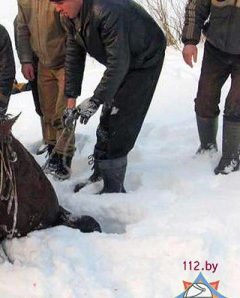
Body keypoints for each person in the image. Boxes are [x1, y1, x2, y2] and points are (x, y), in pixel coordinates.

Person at [50, 0, 166, 193]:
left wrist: (96, 100)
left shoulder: (107, 12)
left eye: (61, 2)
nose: (57, 8)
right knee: (106, 117)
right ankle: (100, 175)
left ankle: (113, 189)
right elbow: (73, 56)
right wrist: (71, 102)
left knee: (120, 120)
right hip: (122, 60)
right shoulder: (70, 16)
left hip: (144, 59)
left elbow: (119, 64)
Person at [16, 0, 75, 180]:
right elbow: (22, 28)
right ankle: (52, 152)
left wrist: (72, 59)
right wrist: (26, 60)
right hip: (43, 62)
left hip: (66, 61)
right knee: (47, 111)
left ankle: (64, 158)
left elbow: (73, 26)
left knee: (62, 112)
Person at [182, 0, 240, 175]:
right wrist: (190, 41)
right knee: (204, 99)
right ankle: (207, 148)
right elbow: (196, 7)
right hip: (216, 49)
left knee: (235, 103)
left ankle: (231, 158)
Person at [13, 16, 45, 156]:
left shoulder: (55, 8)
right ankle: (48, 139)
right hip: (34, 66)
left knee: (58, 108)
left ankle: (62, 145)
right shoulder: (21, 18)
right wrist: (26, 61)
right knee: (41, 106)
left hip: (57, 65)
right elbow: (20, 42)